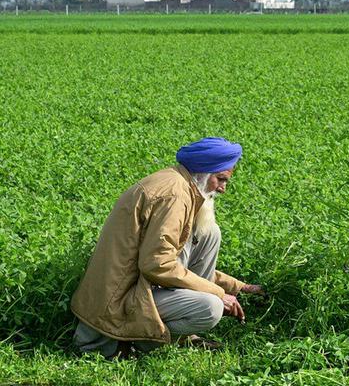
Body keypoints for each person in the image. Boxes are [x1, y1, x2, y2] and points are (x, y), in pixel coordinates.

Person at [71, 137, 264, 359]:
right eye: (220, 179)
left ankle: (175, 336)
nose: (223, 189)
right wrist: (219, 294)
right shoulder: (175, 197)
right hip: (119, 301)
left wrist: (238, 287)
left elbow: (172, 258)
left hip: (140, 286)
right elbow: (158, 264)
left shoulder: (178, 182)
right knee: (210, 308)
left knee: (210, 233)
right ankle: (140, 342)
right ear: (202, 172)